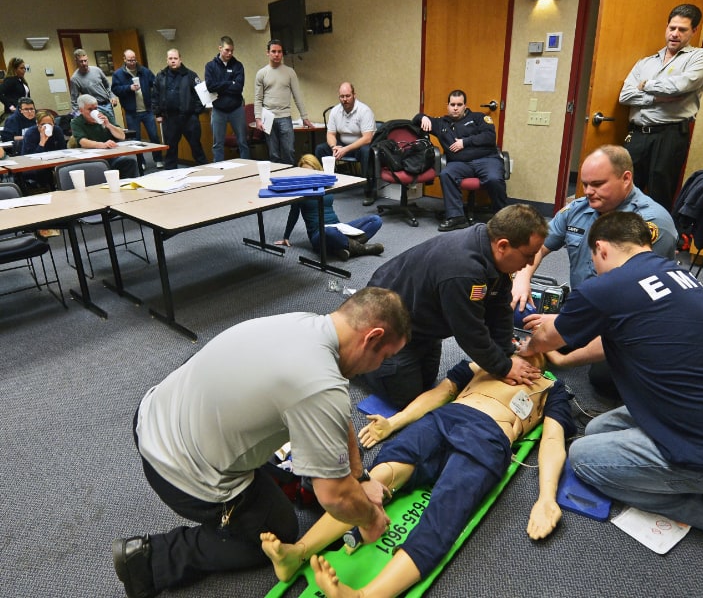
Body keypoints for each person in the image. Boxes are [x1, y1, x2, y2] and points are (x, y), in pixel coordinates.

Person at [112, 287, 412, 598]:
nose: (380, 367)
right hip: (177, 472)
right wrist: (370, 517)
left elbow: (337, 416)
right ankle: (149, 560)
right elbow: (335, 498)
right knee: (279, 532)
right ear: (373, 338)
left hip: (153, 415)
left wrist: (360, 478)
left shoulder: (306, 324)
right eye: (385, 357)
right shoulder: (320, 385)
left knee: (299, 471)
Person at [526, 211, 703, 549]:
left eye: (593, 259)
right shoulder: (679, 275)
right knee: (596, 429)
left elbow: (545, 339)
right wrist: (565, 352)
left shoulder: (604, 287)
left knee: (583, 458)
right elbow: (617, 336)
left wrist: (529, 347)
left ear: (600, 248)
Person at [260, 347, 576, 598]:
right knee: (377, 477)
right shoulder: (486, 358)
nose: (531, 343)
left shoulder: (552, 388)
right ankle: (297, 553)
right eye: (528, 337)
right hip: (444, 419)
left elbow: (552, 439)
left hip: (489, 437)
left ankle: (366, 596)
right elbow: (439, 393)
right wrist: (393, 423)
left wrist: (547, 498)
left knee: (445, 511)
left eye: (543, 339)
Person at [510, 145, 677, 400]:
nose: (588, 191)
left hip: (629, 315)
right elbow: (539, 246)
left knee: (603, 380)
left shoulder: (652, 223)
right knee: (534, 326)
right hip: (587, 306)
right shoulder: (578, 208)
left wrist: (569, 323)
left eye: (598, 184)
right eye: (585, 183)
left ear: (626, 178)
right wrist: (521, 280)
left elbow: (634, 296)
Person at [364, 203, 548, 408]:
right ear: (503, 245)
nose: (531, 262)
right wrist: (504, 368)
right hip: (386, 324)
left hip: (421, 324)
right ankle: (362, 356)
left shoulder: (490, 248)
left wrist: (506, 354)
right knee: (408, 400)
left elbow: (499, 309)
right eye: (528, 255)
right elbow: (470, 331)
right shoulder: (464, 271)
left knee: (428, 385)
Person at [619, 3, 703, 211]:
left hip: (669, 135)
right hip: (638, 134)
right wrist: (655, 99)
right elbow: (625, 95)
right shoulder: (646, 62)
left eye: (682, 29)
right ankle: (620, 240)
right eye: (672, 28)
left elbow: (679, 86)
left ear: (694, 31)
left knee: (660, 195)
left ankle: (656, 241)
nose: (675, 34)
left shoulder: (699, 57)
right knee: (623, 190)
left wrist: (646, 86)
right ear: (666, 27)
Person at [412, 90, 508, 231]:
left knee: (494, 178)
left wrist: (465, 142)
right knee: (446, 174)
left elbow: (489, 137)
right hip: (460, 163)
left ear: (465, 106)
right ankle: (456, 217)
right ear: (448, 106)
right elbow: (414, 120)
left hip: (486, 159)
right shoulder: (440, 123)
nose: (455, 108)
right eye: (452, 104)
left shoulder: (478, 118)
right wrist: (423, 117)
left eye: (459, 104)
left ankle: (503, 217)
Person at [275, 154, 384, 261]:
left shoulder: (326, 184)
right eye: (305, 172)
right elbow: (293, 215)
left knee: (376, 220)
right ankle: (362, 248)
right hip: (319, 233)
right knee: (329, 231)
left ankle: (342, 247)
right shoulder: (299, 191)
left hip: (339, 227)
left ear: (317, 170)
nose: (309, 175)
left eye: (312, 171)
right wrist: (286, 237)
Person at [253, 39, 312, 165]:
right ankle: (277, 180)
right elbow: (258, 99)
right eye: (273, 51)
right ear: (267, 53)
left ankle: (289, 179)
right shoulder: (261, 73)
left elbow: (297, 96)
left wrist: (304, 117)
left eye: (279, 52)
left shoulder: (290, 72)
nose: (276, 54)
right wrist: (258, 118)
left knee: (289, 151)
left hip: (285, 117)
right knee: (273, 153)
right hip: (268, 117)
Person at [315, 82, 376, 199]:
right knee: (320, 149)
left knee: (366, 151)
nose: (345, 99)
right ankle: (327, 184)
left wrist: (345, 149)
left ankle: (369, 191)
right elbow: (331, 133)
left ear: (354, 95)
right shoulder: (335, 111)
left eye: (348, 96)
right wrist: (334, 147)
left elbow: (368, 138)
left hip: (361, 145)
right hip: (342, 144)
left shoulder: (364, 111)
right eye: (342, 96)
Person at [152, 49, 208, 170]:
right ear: (167, 60)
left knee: (196, 147)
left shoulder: (190, 75)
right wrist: (158, 113)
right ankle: (170, 175)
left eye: (175, 58)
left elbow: (201, 95)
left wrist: (195, 112)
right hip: (170, 119)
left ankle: (206, 171)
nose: (173, 61)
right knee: (170, 150)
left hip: (189, 119)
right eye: (170, 59)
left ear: (180, 59)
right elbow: (155, 96)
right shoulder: (160, 76)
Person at [111, 49, 164, 170]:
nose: (132, 62)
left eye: (134, 59)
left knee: (154, 136)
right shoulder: (118, 74)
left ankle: (158, 159)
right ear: (124, 59)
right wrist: (128, 88)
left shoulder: (144, 71)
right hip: (131, 112)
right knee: (136, 140)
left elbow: (155, 84)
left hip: (147, 110)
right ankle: (141, 162)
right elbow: (115, 89)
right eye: (129, 60)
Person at [204, 35, 250, 162]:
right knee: (217, 143)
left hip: (236, 109)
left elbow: (238, 87)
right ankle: (219, 169)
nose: (230, 53)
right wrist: (230, 83)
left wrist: (221, 86)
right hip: (219, 110)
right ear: (220, 48)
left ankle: (247, 167)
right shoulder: (210, 66)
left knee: (242, 141)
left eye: (232, 50)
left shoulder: (238, 65)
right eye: (227, 50)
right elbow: (210, 87)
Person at [70, 94, 138, 179]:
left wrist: (108, 125)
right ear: (81, 110)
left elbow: (122, 136)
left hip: (111, 156)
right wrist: (103, 145)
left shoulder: (105, 115)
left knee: (129, 162)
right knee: (100, 167)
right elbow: (83, 141)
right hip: (91, 158)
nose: (93, 112)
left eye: (95, 108)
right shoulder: (76, 122)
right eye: (90, 109)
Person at [20, 110, 67, 192]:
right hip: (34, 166)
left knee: (65, 168)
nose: (46, 127)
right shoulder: (30, 133)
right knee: (45, 172)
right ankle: (50, 190)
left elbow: (63, 150)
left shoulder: (57, 130)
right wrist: (42, 142)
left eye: (50, 124)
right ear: (37, 124)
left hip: (53, 161)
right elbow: (32, 158)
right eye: (42, 124)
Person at [70, 48, 118, 125]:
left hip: (107, 104)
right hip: (94, 108)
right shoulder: (75, 79)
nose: (84, 63)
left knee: (113, 126)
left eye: (85, 60)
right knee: (100, 127)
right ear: (76, 61)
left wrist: (112, 96)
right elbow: (74, 99)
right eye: (81, 61)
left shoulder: (97, 70)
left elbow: (107, 85)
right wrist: (78, 114)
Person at [0, 57, 31, 125]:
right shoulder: (10, 80)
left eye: (24, 68)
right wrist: (10, 106)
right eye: (21, 68)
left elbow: (27, 98)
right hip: (14, 114)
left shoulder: (22, 81)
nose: (24, 70)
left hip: (25, 112)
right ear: (14, 69)